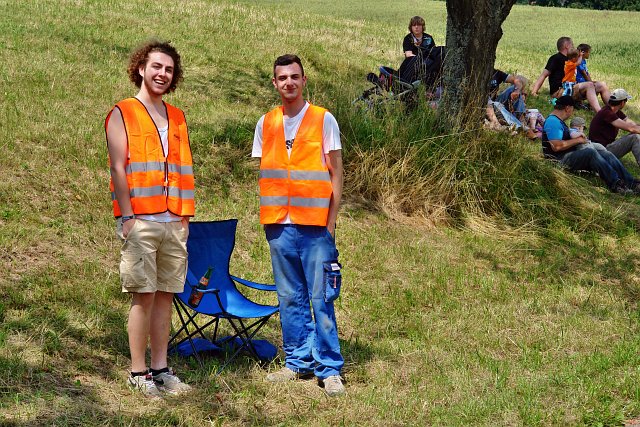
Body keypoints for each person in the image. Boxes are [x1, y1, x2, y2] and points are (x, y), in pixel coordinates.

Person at [252, 54, 346, 397]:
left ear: (304, 80)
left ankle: (329, 368)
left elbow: (336, 173)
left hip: (316, 226)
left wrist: (330, 223)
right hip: (279, 225)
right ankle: (297, 361)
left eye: (294, 76)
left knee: (322, 297)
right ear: (274, 83)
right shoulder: (266, 123)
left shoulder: (323, 119)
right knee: (290, 297)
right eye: (282, 78)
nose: (289, 82)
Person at [105, 40, 194, 398]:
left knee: (165, 296)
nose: (162, 74)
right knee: (142, 296)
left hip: (174, 221)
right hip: (141, 220)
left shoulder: (178, 116)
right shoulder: (122, 112)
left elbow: (183, 168)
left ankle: (161, 369)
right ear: (141, 68)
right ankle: (138, 372)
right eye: (156, 66)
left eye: (169, 69)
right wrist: (127, 217)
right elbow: (118, 167)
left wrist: (184, 216)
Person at [541, 95, 639, 194]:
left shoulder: (557, 121)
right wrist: (578, 140)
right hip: (557, 160)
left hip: (567, 155)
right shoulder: (553, 122)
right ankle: (616, 184)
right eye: (572, 109)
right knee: (590, 153)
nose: (572, 112)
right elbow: (557, 146)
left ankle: (632, 183)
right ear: (567, 108)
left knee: (605, 153)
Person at [532, 37, 610, 112]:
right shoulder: (555, 58)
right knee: (589, 85)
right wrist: (534, 92)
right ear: (566, 46)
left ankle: (613, 110)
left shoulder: (574, 59)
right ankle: (600, 113)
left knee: (601, 85)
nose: (574, 46)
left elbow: (583, 70)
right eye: (572, 44)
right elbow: (544, 75)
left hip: (574, 87)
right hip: (561, 91)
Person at [589, 88, 640, 168]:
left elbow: (632, 124)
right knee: (634, 138)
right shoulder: (607, 113)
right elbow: (630, 128)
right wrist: (635, 129)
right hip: (601, 152)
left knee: (635, 134)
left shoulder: (615, 111)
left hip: (605, 148)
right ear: (622, 102)